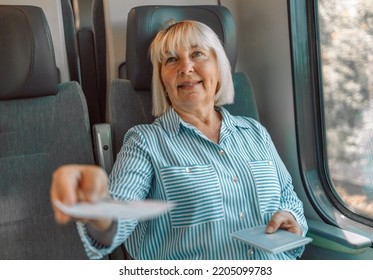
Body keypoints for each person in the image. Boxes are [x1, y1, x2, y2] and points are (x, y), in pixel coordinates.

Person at [51, 20, 308, 260]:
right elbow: (118, 218)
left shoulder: (255, 132)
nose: (185, 68)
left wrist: (291, 218)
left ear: (218, 67)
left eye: (197, 54)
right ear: (162, 80)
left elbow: (289, 198)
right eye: (171, 60)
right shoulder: (145, 142)